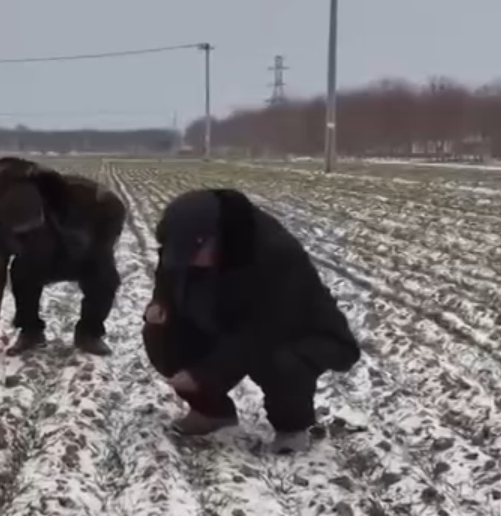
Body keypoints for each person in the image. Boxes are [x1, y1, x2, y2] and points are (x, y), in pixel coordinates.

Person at [143, 188, 362, 455]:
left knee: (279, 359)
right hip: (229, 318)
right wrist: (161, 304)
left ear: (215, 239)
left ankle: (291, 427)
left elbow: (262, 332)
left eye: (192, 255)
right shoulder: (186, 243)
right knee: (161, 333)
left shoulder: (276, 254)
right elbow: (168, 275)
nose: (188, 263)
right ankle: (211, 411)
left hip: (293, 331)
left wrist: (204, 374)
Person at [0, 157, 125, 357]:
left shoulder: (87, 197)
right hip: (37, 259)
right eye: (20, 232)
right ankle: (30, 331)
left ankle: (89, 333)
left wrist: (94, 248)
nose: (28, 235)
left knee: (104, 275)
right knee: (21, 272)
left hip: (83, 249)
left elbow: (114, 211)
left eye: (32, 228)